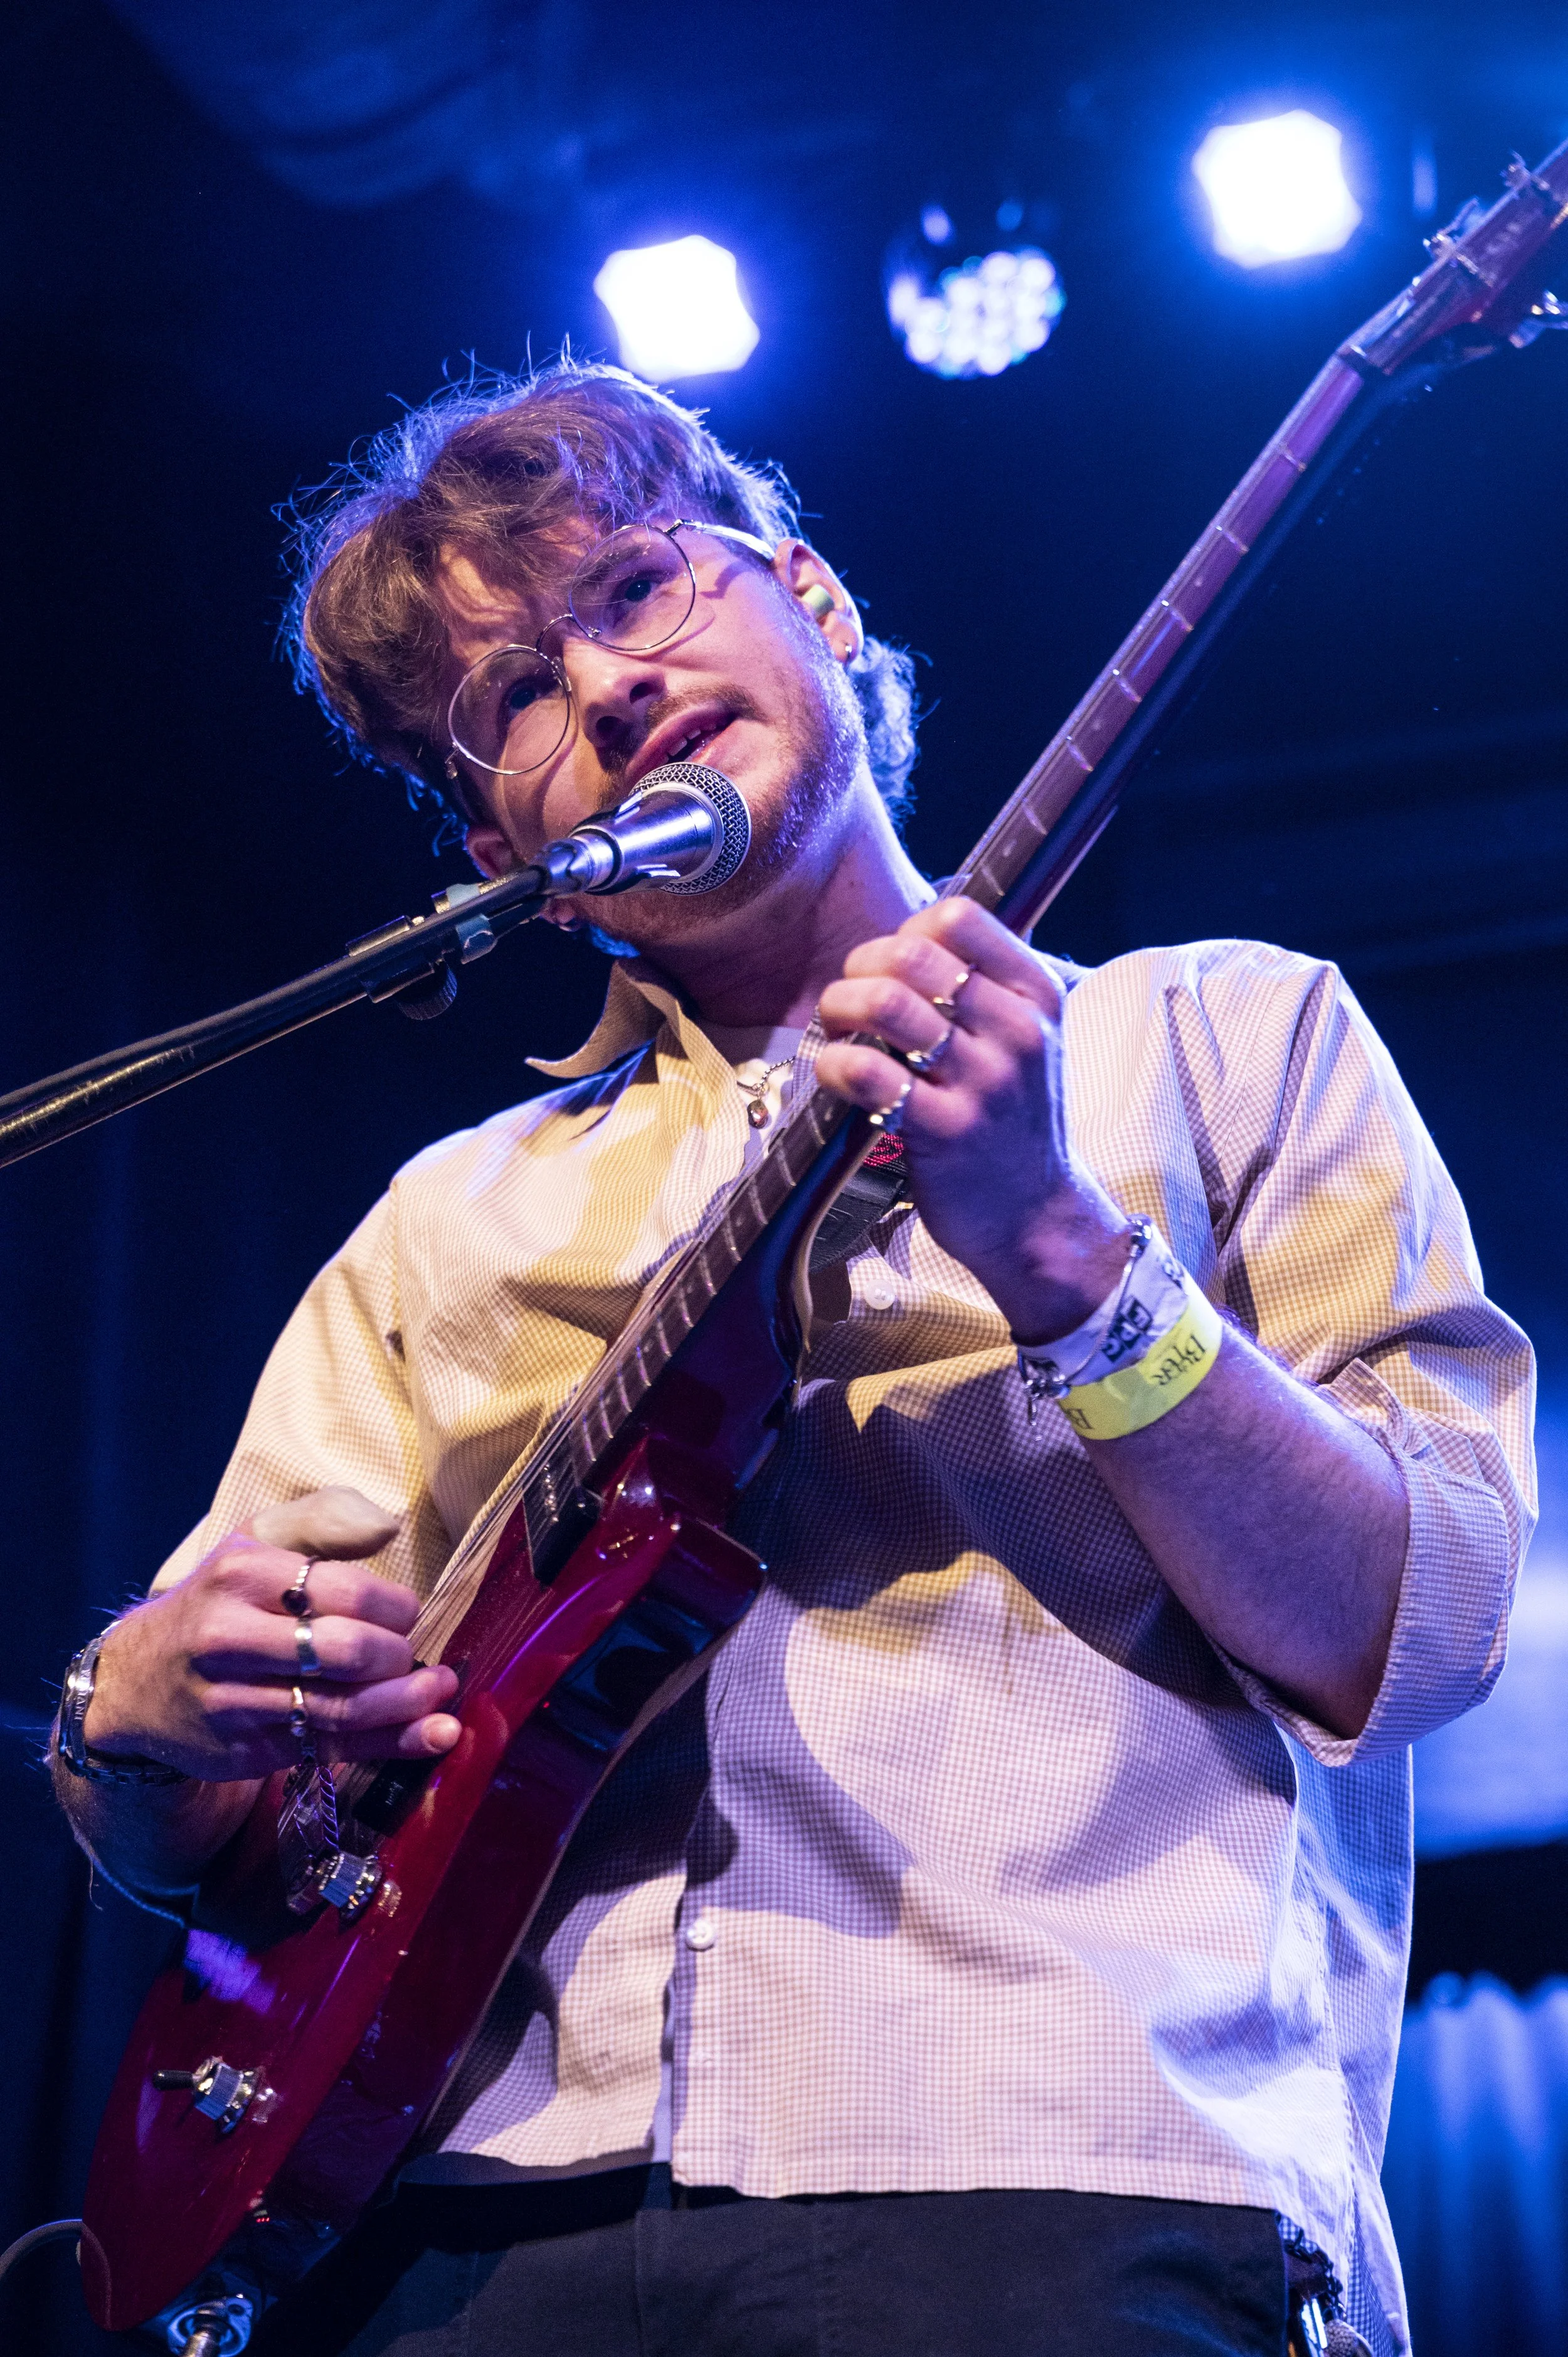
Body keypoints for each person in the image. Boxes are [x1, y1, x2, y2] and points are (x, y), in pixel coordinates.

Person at [53, 363, 1533, 2357]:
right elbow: (231, 1855)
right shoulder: (442, 1221)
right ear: (498, 827)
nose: (603, 689)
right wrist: (131, 1719)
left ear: (812, 598)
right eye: (510, 703)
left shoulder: (1227, 1039)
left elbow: (1416, 1624)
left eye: (640, 587)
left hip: (1046, 2176)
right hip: (464, 2230)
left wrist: (1062, 1254)